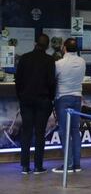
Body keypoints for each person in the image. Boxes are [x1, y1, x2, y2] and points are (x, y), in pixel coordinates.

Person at [15, 34, 56, 174]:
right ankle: (38, 166)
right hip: (43, 101)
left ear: (35, 43)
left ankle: (25, 166)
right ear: (48, 46)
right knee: (40, 134)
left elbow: (18, 80)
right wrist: (50, 98)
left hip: (26, 101)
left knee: (26, 133)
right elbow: (52, 82)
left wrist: (21, 97)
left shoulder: (24, 58)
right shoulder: (50, 60)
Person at [52, 38, 86, 173]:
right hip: (77, 98)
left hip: (63, 98)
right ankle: (77, 163)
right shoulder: (82, 62)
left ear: (64, 48)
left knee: (63, 131)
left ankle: (69, 163)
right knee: (75, 131)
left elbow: (53, 79)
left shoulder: (59, 63)